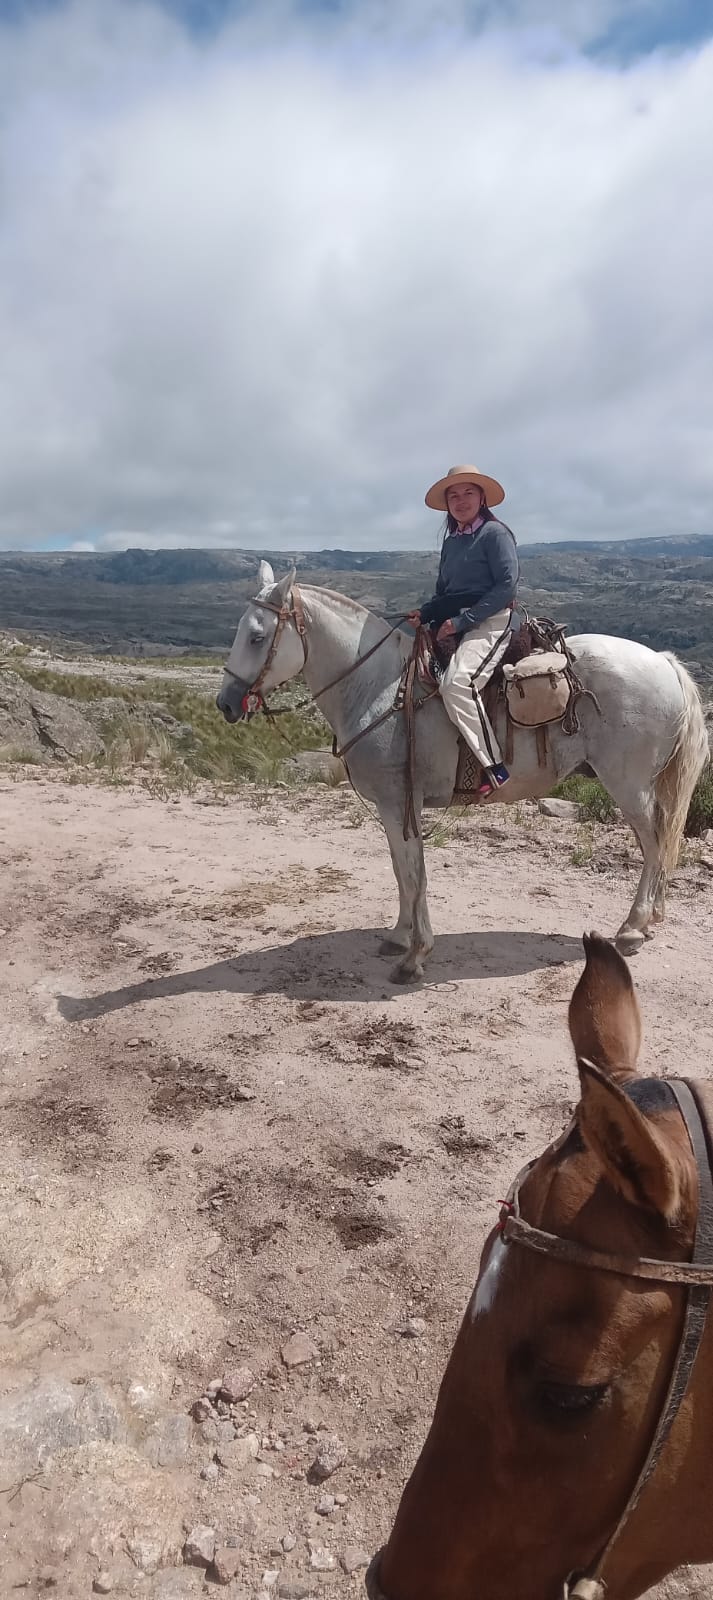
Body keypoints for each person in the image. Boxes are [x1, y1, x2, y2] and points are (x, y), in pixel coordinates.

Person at [407, 464, 520, 799]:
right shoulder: (451, 542)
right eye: (453, 495)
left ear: (482, 497)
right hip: (459, 620)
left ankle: (495, 767)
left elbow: (506, 587)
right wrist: (426, 613)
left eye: (468, 492)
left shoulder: (495, 535)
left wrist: (461, 621)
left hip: (492, 619)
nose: (460, 500)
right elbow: (446, 594)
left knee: (457, 684)